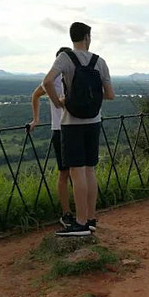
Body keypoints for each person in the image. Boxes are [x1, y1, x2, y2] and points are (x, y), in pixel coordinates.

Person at [42, 22, 115, 236]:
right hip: (94, 121)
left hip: (71, 123)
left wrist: (59, 102)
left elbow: (47, 82)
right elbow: (110, 94)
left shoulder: (65, 58)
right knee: (90, 170)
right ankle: (91, 218)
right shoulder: (99, 61)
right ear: (87, 37)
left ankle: (80, 222)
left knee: (76, 172)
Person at [28, 47, 75, 228]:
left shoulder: (72, 78)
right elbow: (35, 95)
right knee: (65, 173)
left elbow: (35, 95)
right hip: (60, 130)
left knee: (76, 173)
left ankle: (78, 212)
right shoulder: (52, 80)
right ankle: (67, 213)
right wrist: (36, 119)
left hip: (71, 128)